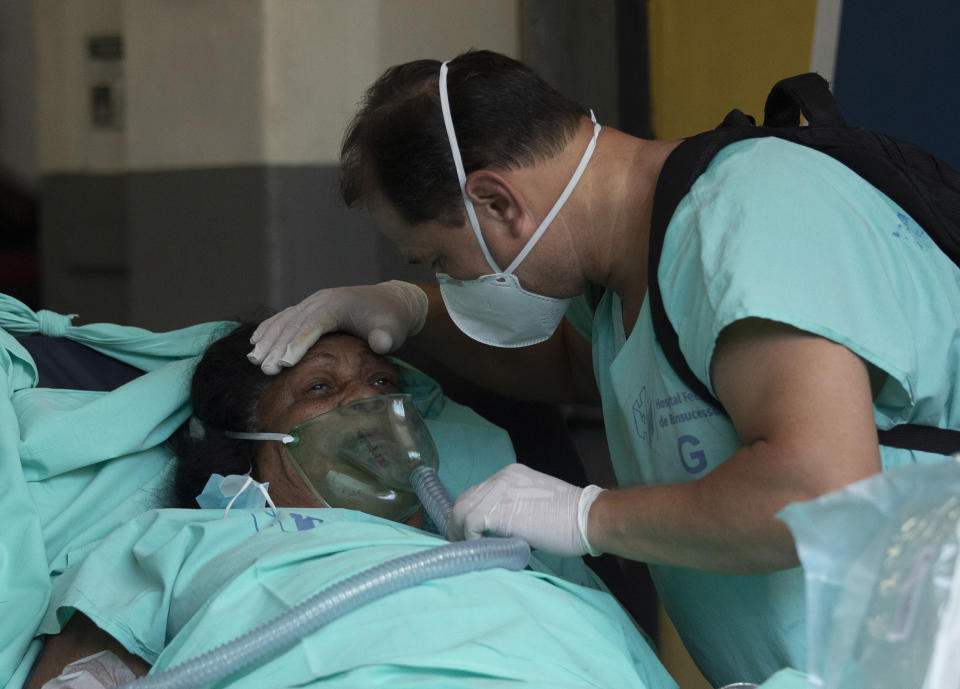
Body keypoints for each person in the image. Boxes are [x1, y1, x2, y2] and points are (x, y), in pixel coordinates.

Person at [246, 49, 960, 685]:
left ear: (497, 202)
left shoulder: (745, 218)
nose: (445, 279)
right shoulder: (625, 274)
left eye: (436, 260)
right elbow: (587, 366)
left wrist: (589, 515)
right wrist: (410, 308)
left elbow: (819, 490)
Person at [27, 323, 677, 689]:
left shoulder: (503, 540)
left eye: (382, 381)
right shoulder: (173, 544)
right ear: (249, 445)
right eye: (321, 386)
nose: (371, 401)